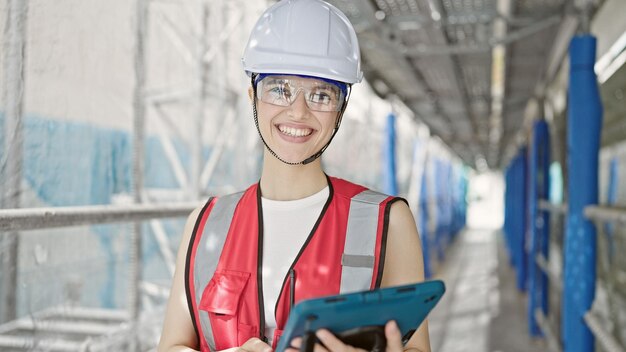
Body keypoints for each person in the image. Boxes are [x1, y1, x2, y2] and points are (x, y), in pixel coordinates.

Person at [158, 0, 430, 351]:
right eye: (279, 88)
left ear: (341, 110)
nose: (298, 111)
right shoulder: (206, 224)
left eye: (321, 94)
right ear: (252, 95)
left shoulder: (387, 222)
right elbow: (171, 345)